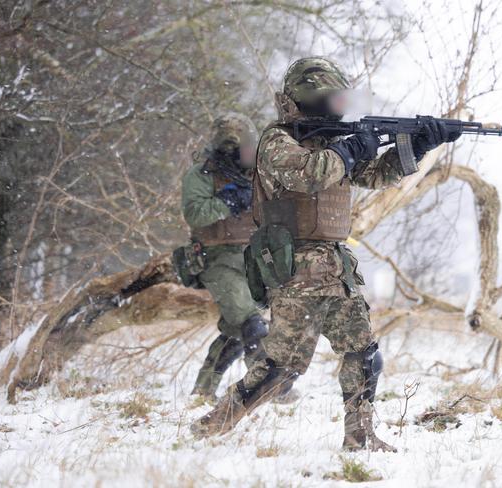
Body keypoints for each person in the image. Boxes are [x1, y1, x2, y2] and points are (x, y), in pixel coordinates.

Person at [190, 58, 461, 451]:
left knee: (364, 355)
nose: (340, 105)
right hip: (297, 271)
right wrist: (352, 148)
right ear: (309, 95)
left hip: (336, 269)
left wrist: (417, 145)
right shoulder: (278, 140)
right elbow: (309, 173)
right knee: (280, 369)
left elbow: (376, 175)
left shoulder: (331, 145)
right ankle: (211, 427)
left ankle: (361, 437)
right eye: (333, 97)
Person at [179, 113, 271, 400]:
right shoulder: (201, 174)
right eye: (244, 149)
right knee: (251, 322)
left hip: (250, 258)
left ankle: (203, 389)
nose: (249, 155)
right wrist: (226, 201)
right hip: (215, 259)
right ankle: (267, 385)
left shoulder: (257, 174)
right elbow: (194, 213)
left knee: (235, 330)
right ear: (228, 151)